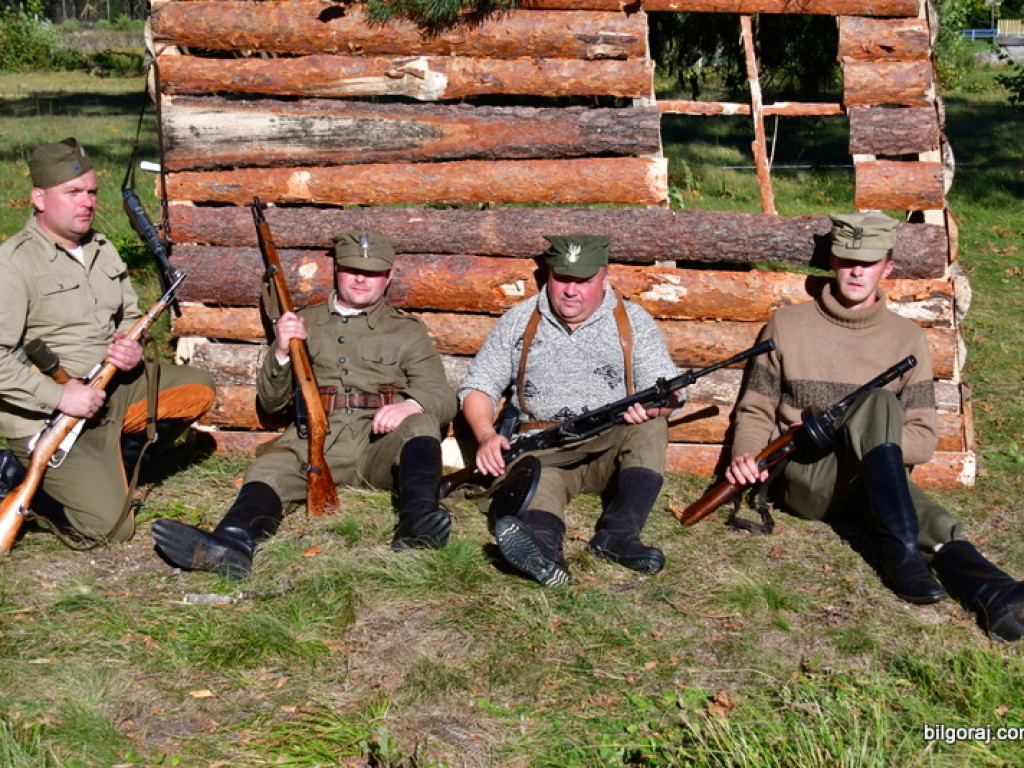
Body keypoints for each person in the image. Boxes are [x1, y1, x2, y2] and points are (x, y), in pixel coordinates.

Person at [725, 210, 1024, 641]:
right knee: (878, 402)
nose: (857, 271)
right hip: (809, 478)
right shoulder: (788, 325)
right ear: (833, 262)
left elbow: (922, 438)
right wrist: (744, 456)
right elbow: (756, 408)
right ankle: (901, 557)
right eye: (848, 260)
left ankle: (993, 592)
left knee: (880, 431)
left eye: (868, 262)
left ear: (888, 266)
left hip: (872, 482)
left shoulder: (907, 339)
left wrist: (867, 440)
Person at [151, 231, 458, 579]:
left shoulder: (406, 331)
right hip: (316, 442)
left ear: (388, 277)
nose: (361, 278)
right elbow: (271, 402)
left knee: (421, 424)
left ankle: (418, 525)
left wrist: (409, 406)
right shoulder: (304, 322)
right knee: (273, 466)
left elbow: (442, 395)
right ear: (337, 271)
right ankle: (231, 543)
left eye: (372, 273)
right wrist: (281, 351)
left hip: (377, 446)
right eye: (351, 269)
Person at [0, 137, 216, 545]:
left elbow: (130, 317)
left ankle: (116, 462)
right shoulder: (13, 263)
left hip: (110, 389)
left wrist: (132, 346)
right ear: (39, 198)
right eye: (73, 193)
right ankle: (29, 485)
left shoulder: (101, 248)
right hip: (50, 416)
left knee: (197, 389)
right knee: (113, 529)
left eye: (92, 192)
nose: (87, 202)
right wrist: (58, 397)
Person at [458, 234, 680, 587]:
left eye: (583, 281)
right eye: (562, 279)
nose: (570, 290)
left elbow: (668, 391)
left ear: (604, 279)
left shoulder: (632, 321)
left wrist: (651, 410)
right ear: (548, 275)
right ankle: (542, 550)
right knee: (536, 480)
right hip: (544, 449)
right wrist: (486, 436)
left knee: (651, 430)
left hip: (610, 447)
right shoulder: (520, 320)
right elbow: (478, 387)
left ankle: (619, 536)